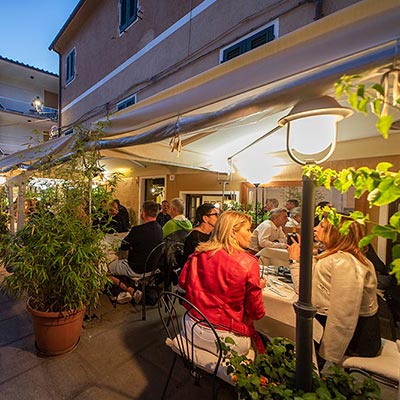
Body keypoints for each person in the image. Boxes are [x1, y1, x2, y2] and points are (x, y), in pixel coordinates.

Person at [288, 217, 381, 367]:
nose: (315, 228)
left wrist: (326, 355)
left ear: (338, 233)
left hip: (355, 340)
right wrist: (299, 260)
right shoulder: (336, 257)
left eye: (322, 226)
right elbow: (309, 291)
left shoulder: (345, 263)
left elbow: (344, 313)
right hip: (340, 329)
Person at [178, 211, 266, 355]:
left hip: (191, 325)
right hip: (224, 337)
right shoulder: (248, 263)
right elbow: (256, 312)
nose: (251, 235)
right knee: (258, 345)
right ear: (232, 232)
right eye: (248, 230)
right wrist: (257, 287)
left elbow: (182, 284)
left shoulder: (198, 253)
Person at [108, 201, 163, 303]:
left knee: (107, 269)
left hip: (136, 269)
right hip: (153, 269)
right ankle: (127, 291)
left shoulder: (137, 230)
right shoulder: (160, 229)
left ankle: (131, 291)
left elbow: (123, 247)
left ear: (143, 213)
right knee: (121, 264)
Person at [179, 203, 219, 268]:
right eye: (215, 215)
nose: (218, 217)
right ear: (205, 218)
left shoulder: (213, 234)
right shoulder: (195, 236)